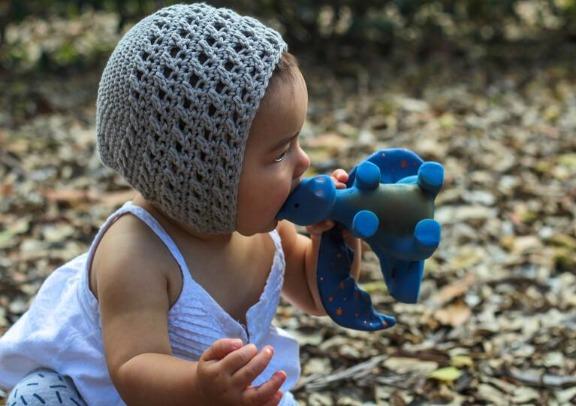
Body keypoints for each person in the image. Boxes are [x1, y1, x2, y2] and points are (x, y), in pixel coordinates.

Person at [0, 3, 361, 405]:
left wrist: (337, 239)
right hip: (108, 395)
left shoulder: (270, 230)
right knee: (38, 397)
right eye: (280, 153)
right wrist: (200, 388)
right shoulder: (136, 254)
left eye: (297, 142)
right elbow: (134, 366)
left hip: (222, 393)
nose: (304, 162)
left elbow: (318, 296)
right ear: (205, 174)